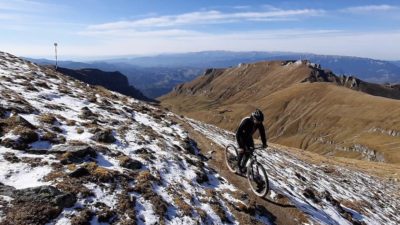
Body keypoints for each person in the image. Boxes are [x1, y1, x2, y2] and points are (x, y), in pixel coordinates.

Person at [235, 109, 267, 173]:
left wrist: (264, 143)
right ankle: (237, 166)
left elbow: (262, 133)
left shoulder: (259, 123)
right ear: (254, 118)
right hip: (241, 135)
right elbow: (238, 133)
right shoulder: (246, 121)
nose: (259, 123)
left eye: (260, 121)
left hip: (248, 136)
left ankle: (242, 166)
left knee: (250, 151)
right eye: (258, 121)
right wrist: (241, 146)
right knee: (243, 150)